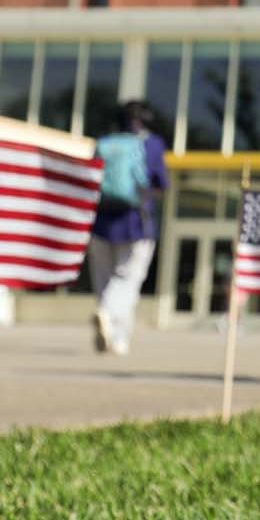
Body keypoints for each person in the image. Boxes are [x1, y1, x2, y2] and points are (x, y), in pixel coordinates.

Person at [87, 101, 168, 357]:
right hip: (135, 222)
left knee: (104, 279)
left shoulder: (104, 143)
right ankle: (109, 317)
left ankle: (117, 337)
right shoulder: (151, 144)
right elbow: (160, 182)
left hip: (100, 220)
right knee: (128, 279)